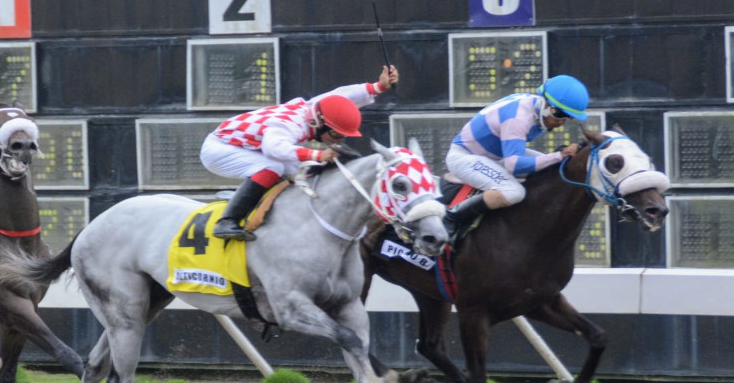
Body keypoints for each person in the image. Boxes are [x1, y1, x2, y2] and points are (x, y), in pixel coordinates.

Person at [200, 66, 400, 241]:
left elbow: (341, 96)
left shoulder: (315, 109)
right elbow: (274, 148)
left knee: (301, 169)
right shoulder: (290, 125)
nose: (340, 140)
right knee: (274, 166)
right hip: (219, 149)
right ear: (320, 124)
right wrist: (317, 155)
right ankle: (227, 222)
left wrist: (378, 86)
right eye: (336, 134)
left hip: (245, 145)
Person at [442, 74, 590, 240]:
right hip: (465, 157)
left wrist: (559, 158)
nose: (562, 122)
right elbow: (514, 165)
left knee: (550, 169)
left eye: (568, 117)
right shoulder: (518, 119)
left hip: (493, 155)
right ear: (547, 106)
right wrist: (559, 155)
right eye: (560, 114)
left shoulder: (534, 106)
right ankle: (450, 218)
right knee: (513, 192)